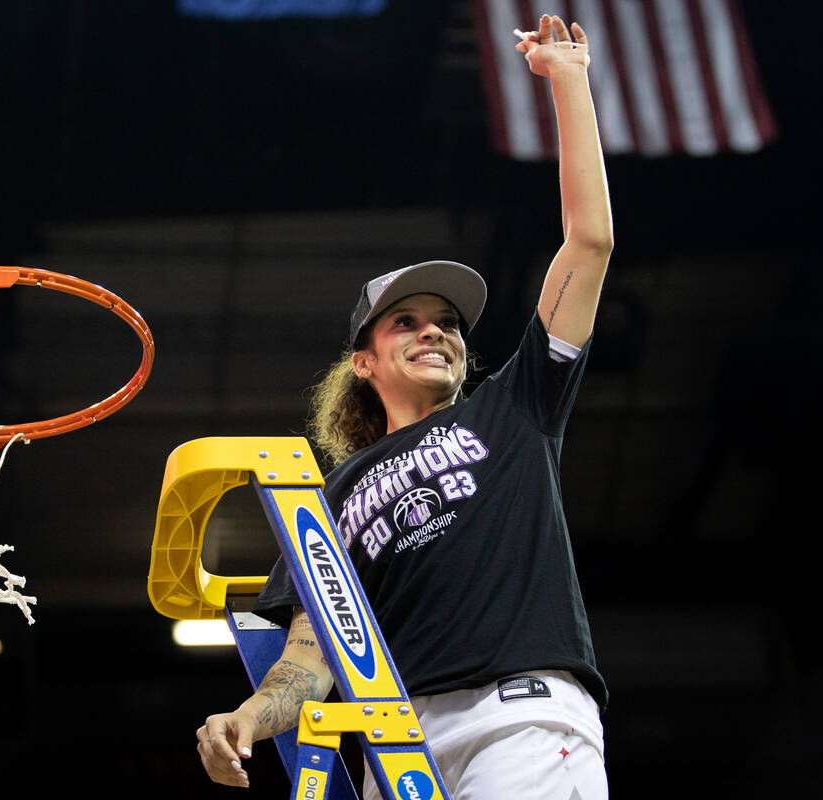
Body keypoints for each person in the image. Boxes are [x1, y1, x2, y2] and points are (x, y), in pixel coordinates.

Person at [196, 13, 613, 799]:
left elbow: (588, 244)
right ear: (363, 361)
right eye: (407, 322)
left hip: (518, 718)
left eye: (448, 323)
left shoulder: (515, 407)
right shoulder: (333, 495)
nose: (435, 332)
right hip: (397, 745)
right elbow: (310, 653)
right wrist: (246, 719)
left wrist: (568, 83)